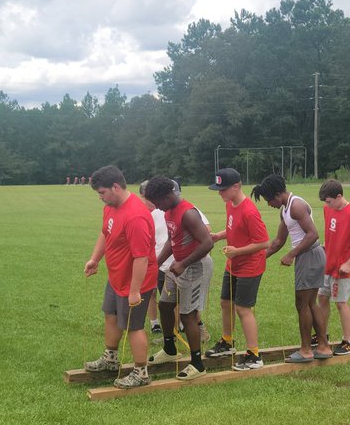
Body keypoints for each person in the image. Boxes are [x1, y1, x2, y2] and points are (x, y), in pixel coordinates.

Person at [83, 165, 158, 389]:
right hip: (116, 276)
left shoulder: (136, 216)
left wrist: (135, 291)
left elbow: (142, 258)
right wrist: (95, 259)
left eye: (102, 193)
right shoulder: (111, 206)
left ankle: (140, 372)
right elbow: (105, 232)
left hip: (136, 280)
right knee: (111, 315)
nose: (100, 198)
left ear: (115, 187)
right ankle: (111, 359)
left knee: (134, 326)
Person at [141, 176, 216, 380]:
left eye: (157, 202)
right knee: (165, 306)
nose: (156, 207)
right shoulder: (168, 211)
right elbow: (173, 241)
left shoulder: (188, 213)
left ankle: (197, 364)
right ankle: (169, 350)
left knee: (187, 316)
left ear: (168, 196)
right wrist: (157, 262)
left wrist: (183, 263)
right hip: (178, 266)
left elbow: (207, 243)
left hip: (195, 267)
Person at [254, 174, 333, 363]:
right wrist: (259, 259)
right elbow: (278, 241)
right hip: (307, 256)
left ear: (278, 193)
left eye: (269, 199)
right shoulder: (285, 210)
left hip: (310, 255)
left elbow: (313, 234)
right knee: (310, 303)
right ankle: (323, 347)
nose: (269, 204)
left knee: (302, 304)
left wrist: (292, 254)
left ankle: (307, 350)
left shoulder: (296, 206)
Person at [207, 167, 270, 370]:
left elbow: (263, 242)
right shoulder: (231, 204)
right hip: (233, 263)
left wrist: (237, 251)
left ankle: (254, 355)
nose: (220, 193)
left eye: (223, 189)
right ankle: (227, 341)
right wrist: (218, 235)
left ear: (236, 186)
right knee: (226, 302)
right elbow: (234, 228)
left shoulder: (250, 211)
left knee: (243, 309)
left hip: (250, 266)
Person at [317, 179, 350, 355]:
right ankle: (322, 335)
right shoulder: (327, 209)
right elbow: (331, 232)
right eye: (325, 202)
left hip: (342, 269)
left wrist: (349, 263)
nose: (327, 204)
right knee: (322, 298)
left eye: (329, 201)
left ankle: (348, 342)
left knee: (341, 303)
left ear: (339, 196)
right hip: (328, 264)